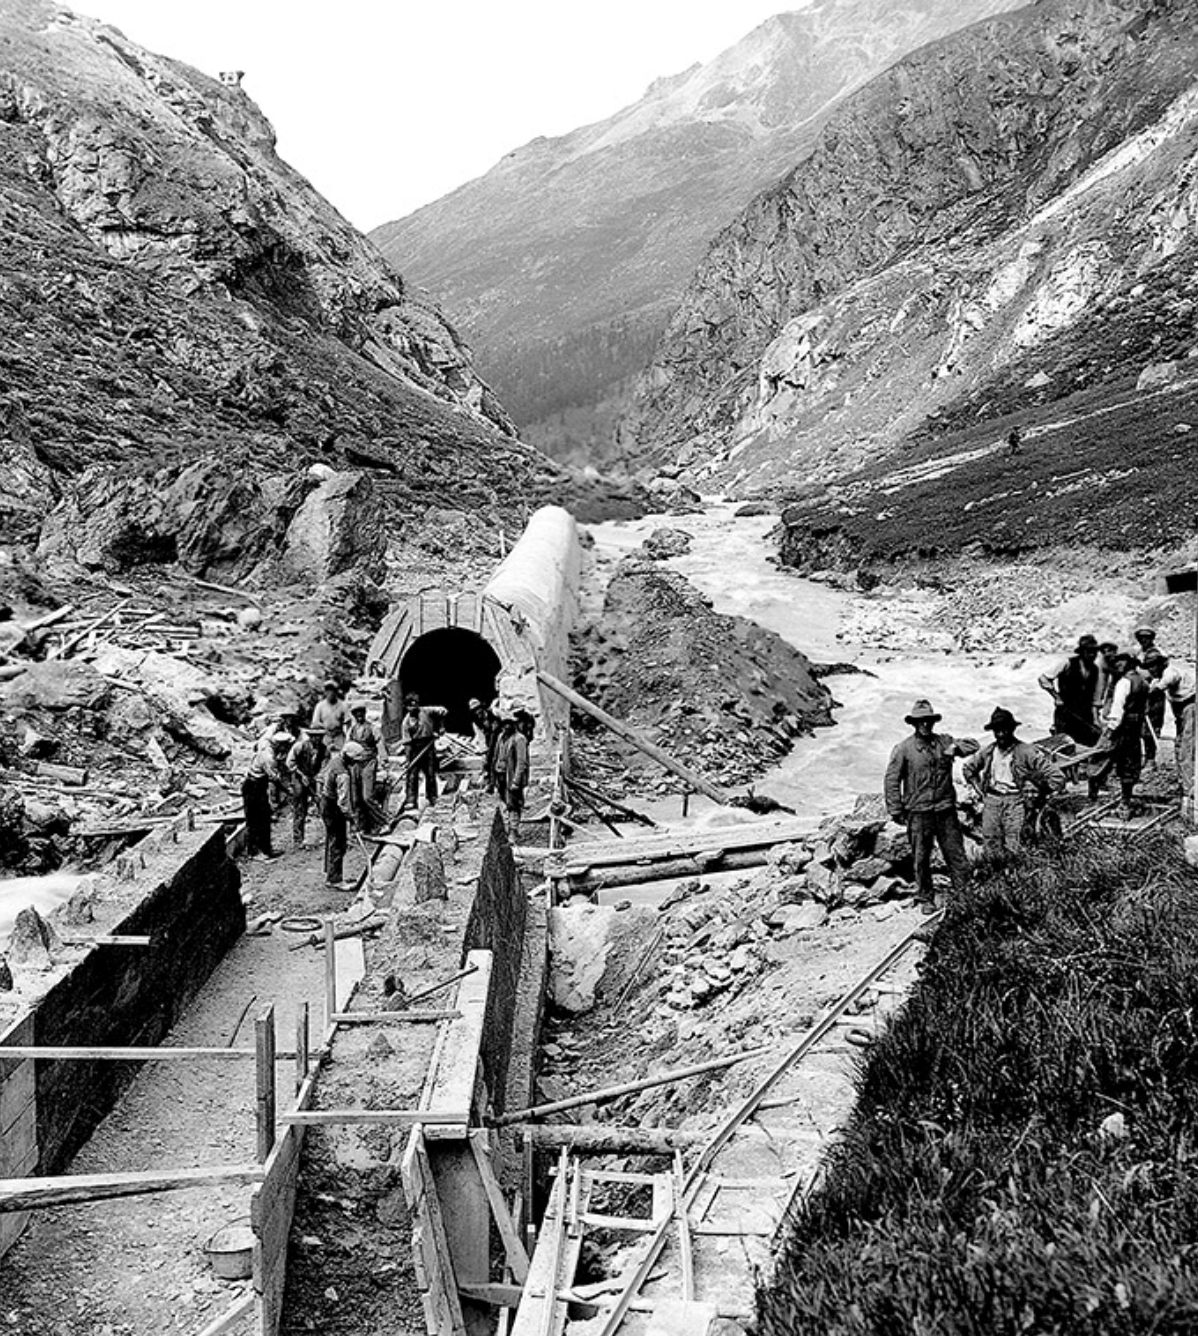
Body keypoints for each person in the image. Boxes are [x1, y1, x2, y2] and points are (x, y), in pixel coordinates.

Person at [883, 699, 978, 913]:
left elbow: (974, 745)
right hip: (919, 812)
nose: (925, 724)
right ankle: (925, 897)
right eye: (920, 721)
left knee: (955, 854)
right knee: (920, 857)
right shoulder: (903, 749)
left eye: (928, 720)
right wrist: (895, 809)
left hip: (945, 810)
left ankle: (964, 895)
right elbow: (891, 779)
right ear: (914, 723)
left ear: (933, 721)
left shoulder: (945, 741)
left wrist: (955, 748)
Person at [963, 707, 1065, 861]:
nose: (1001, 734)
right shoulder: (989, 751)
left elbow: (1057, 776)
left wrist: (1040, 793)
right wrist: (981, 793)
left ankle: (1014, 878)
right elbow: (968, 769)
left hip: (1015, 800)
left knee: (1014, 843)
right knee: (990, 841)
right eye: (997, 730)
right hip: (992, 800)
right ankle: (994, 877)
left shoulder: (1026, 751)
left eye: (1005, 730)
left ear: (1012, 729)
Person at [1089, 651, 1150, 818]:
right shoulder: (1143, 681)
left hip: (1123, 729)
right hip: (1134, 729)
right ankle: (1125, 800)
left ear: (1129, 663)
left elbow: (1118, 710)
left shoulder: (1124, 682)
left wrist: (1109, 731)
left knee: (1101, 758)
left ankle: (1095, 799)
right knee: (1129, 764)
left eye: (1121, 662)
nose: (1118, 665)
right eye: (1117, 663)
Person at [1037, 636, 1104, 745]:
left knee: (1085, 743)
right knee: (1064, 743)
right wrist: (1056, 697)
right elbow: (1043, 679)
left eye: (1095, 652)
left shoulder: (1095, 670)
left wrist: (1096, 719)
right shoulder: (1067, 663)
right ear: (1082, 652)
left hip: (1084, 714)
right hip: (1066, 712)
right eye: (1089, 652)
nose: (1092, 655)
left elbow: (1095, 698)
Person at [242, 731, 290, 861]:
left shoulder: (270, 747)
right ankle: (255, 852)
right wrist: (288, 791)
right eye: (285, 746)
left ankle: (266, 848)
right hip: (253, 787)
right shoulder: (268, 757)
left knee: (264, 818)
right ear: (280, 745)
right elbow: (275, 779)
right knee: (255, 820)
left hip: (259, 786)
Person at [1142, 649, 1196, 765]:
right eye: (1148, 666)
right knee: (1180, 739)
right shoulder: (1156, 679)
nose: (1151, 669)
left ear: (1161, 664)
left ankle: (1188, 778)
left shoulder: (1170, 672)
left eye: (1153, 666)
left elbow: (1159, 688)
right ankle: (1181, 773)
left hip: (1190, 703)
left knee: (1187, 741)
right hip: (1178, 706)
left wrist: (1146, 694)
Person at [319, 744, 356, 889]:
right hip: (334, 808)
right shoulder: (343, 774)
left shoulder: (334, 761)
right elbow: (343, 802)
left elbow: (320, 779)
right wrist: (351, 818)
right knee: (338, 843)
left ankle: (331, 873)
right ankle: (335, 879)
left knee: (332, 839)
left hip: (325, 801)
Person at [401, 694, 447, 810]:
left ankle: (432, 797)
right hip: (415, 748)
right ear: (406, 707)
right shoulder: (406, 723)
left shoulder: (426, 711)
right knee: (412, 776)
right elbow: (407, 743)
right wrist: (408, 760)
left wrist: (440, 727)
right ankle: (411, 800)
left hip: (428, 745)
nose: (413, 708)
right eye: (410, 706)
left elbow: (443, 711)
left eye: (415, 705)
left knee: (430, 773)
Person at [286, 727, 324, 849]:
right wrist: (301, 775)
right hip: (299, 779)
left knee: (322, 804)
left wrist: (318, 779)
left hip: (314, 779)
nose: (317, 739)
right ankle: (298, 840)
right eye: (315, 736)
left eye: (320, 736)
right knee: (300, 809)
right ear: (310, 736)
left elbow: (325, 766)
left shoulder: (324, 749)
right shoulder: (300, 746)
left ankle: (329, 836)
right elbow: (290, 763)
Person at [346, 702, 383, 805]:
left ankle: (380, 819)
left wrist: (384, 759)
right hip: (355, 764)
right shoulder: (351, 730)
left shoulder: (372, 728)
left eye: (361, 713)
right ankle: (359, 820)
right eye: (356, 714)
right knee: (355, 798)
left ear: (364, 714)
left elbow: (379, 742)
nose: (359, 716)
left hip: (369, 762)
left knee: (367, 797)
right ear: (354, 716)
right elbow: (347, 746)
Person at [501, 712, 530, 833]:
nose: (507, 726)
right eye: (505, 724)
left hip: (513, 777)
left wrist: (516, 781)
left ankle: (513, 830)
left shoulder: (520, 739)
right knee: (507, 803)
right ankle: (509, 829)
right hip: (504, 776)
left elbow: (521, 762)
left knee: (514, 804)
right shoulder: (504, 738)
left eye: (510, 724)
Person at [311, 680, 350, 753]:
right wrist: (323, 727)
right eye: (328, 691)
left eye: (333, 691)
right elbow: (315, 723)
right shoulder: (320, 706)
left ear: (336, 692)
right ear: (325, 692)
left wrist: (347, 737)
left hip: (338, 735)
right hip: (325, 735)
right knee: (323, 755)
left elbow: (348, 722)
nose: (330, 693)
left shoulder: (343, 705)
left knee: (342, 754)